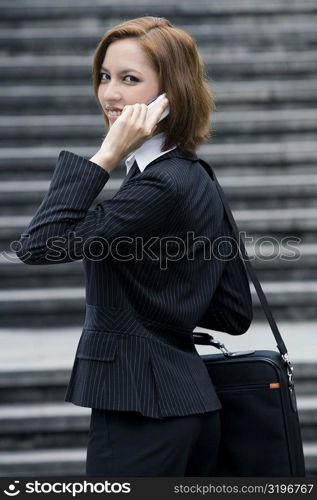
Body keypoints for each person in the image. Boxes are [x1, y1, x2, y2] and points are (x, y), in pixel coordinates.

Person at [15, 16, 253, 477]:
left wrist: (105, 155)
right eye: (105, 77)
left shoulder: (157, 187)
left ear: (173, 91)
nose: (110, 94)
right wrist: (159, 294)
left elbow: (38, 246)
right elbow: (232, 312)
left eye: (130, 79)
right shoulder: (195, 175)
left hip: (142, 408)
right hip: (187, 406)